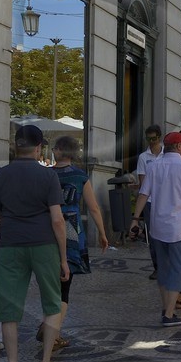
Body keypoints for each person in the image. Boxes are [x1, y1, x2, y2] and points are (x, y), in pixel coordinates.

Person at [0, 124, 70, 362]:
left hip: (11, 244)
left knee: (9, 310)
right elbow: (57, 220)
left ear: (16, 146)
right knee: (52, 303)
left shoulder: (0, 176)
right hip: (44, 245)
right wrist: (64, 258)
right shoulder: (48, 176)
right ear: (38, 148)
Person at [129, 130, 181, 328]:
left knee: (163, 270)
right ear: (179, 146)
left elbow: (143, 194)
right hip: (178, 227)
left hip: (157, 226)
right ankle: (169, 314)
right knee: (179, 269)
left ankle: (166, 308)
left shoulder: (154, 166)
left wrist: (135, 219)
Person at [51, 135, 108, 349]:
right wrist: (102, 233)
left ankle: (49, 324)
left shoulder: (47, 175)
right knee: (65, 285)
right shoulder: (80, 176)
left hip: (49, 230)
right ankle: (53, 332)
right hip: (72, 232)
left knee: (51, 284)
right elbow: (93, 207)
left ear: (57, 151)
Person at [134, 125, 165, 279]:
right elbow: (142, 182)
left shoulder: (167, 154)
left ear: (159, 137)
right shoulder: (143, 157)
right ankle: (158, 267)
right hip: (150, 200)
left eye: (154, 138)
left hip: (166, 200)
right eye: (149, 139)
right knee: (152, 236)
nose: (152, 142)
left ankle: (167, 265)